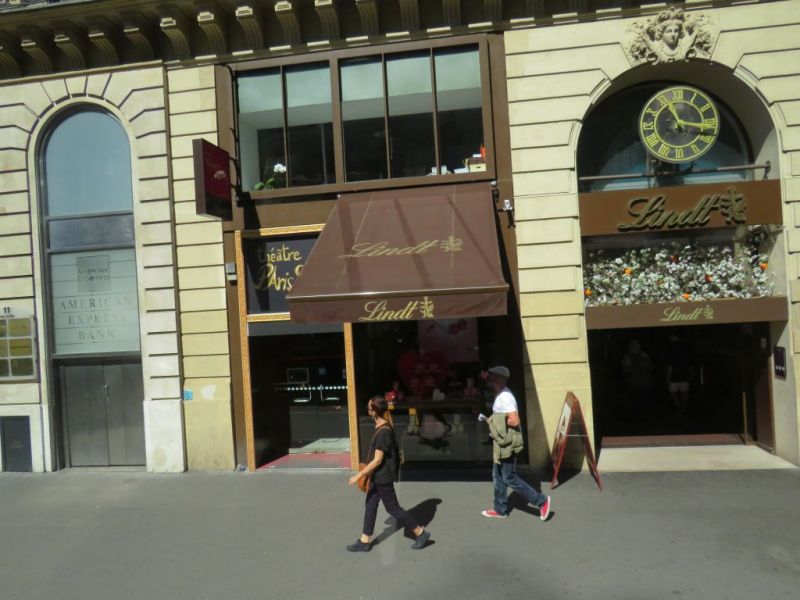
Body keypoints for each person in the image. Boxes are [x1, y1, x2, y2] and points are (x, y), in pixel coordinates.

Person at [346, 395, 432, 552]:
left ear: (375, 412)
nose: (367, 410)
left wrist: (358, 475)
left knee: (393, 508)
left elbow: (378, 460)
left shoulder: (383, 432)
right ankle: (365, 540)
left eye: (369, 408)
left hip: (382, 477)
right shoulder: (382, 427)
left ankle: (420, 533)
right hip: (377, 476)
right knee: (371, 504)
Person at [480, 366, 551, 521]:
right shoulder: (501, 394)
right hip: (501, 443)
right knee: (498, 476)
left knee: (509, 477)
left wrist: (493, 421)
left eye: (493, 378)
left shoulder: (505, 396)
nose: (491, 380)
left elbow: (515, 420)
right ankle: (500, 509)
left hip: (507, 444)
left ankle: (541, 501)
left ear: (500, 379)